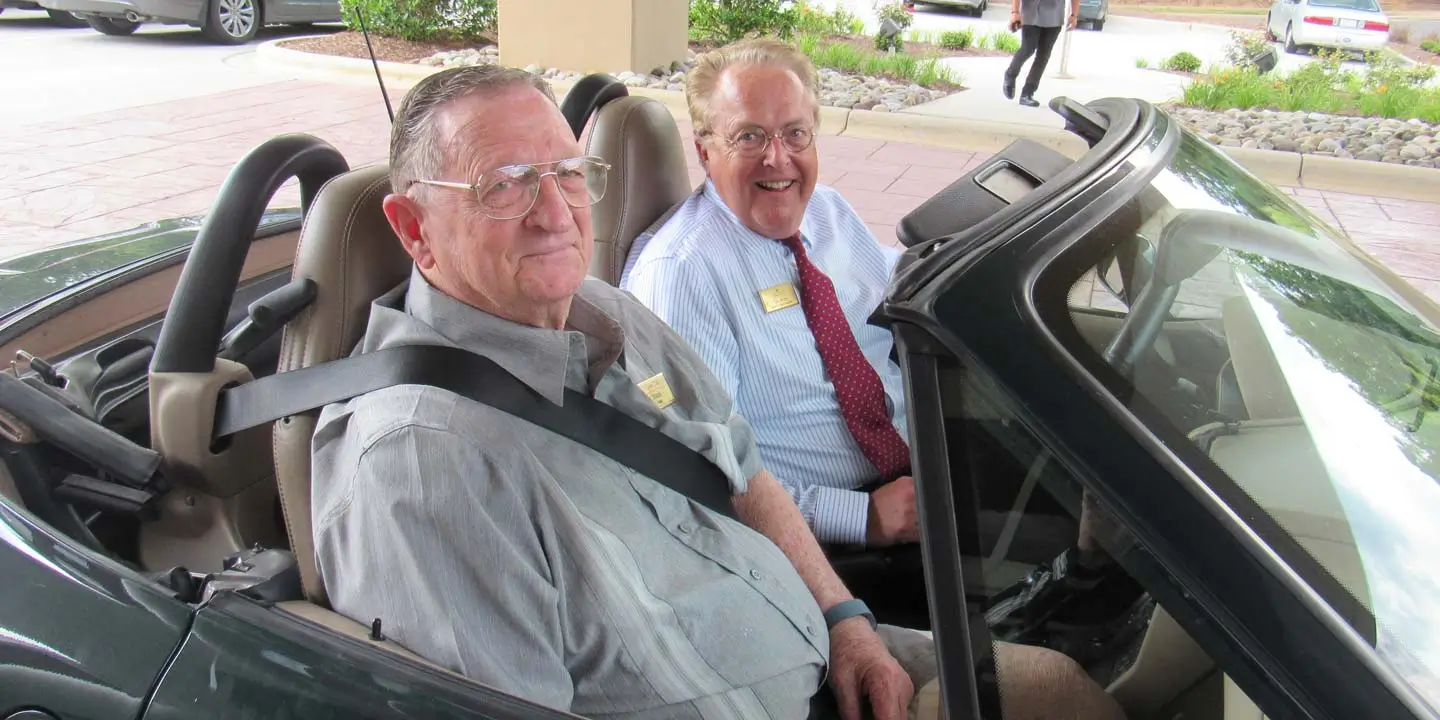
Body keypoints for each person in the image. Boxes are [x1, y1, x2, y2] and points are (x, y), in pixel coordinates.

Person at [310, 63, 1125, 720]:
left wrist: (848, 627)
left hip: (829, 651)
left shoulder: (612, 316)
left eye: (564, 172)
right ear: (415, 231)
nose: (553, 211)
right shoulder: (419, 464)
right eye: (505, 185)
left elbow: (745, 475)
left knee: (1054, 686)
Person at [619, 36, 1123, 658]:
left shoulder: (826, 214)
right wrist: (866, 519)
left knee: (1102, 503)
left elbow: (901, 297)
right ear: (705, 150)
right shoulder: (684, 275)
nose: (778, 159)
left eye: (795, 134)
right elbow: (705, 478)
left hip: (921, 467)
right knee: (1039, 650)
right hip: (831, 545)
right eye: (749, 137)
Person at [1002, 0, 1078, 107]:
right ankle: (1010, 74)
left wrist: (1074, 15)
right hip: (1030, 14)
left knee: (1043, 55)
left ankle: (1028, 92)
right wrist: (1015, 12)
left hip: (1054, 16)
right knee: (1028, 49)